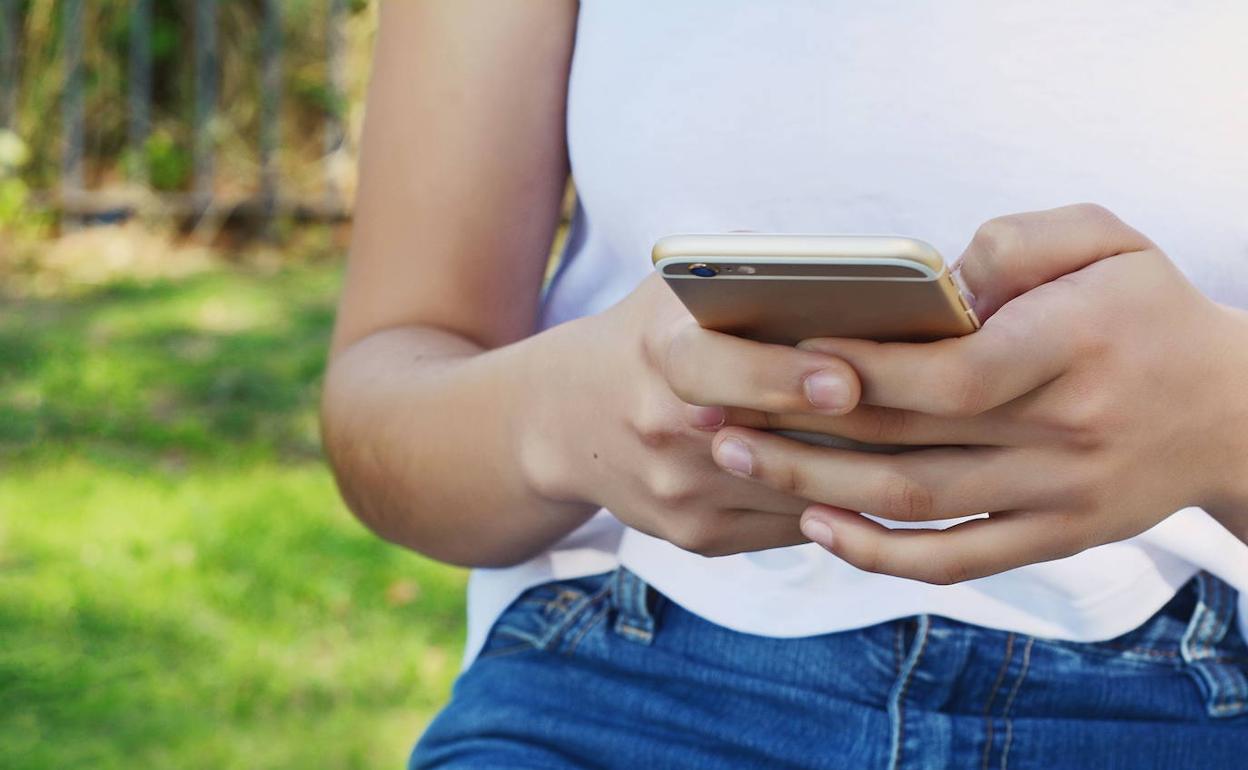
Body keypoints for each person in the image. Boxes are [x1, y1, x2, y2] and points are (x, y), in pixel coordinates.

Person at [321, 2, 1248, 767]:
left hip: (1199, 697)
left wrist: (1219, 422)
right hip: (629, 681)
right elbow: (383, 412)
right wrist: (565, 418)